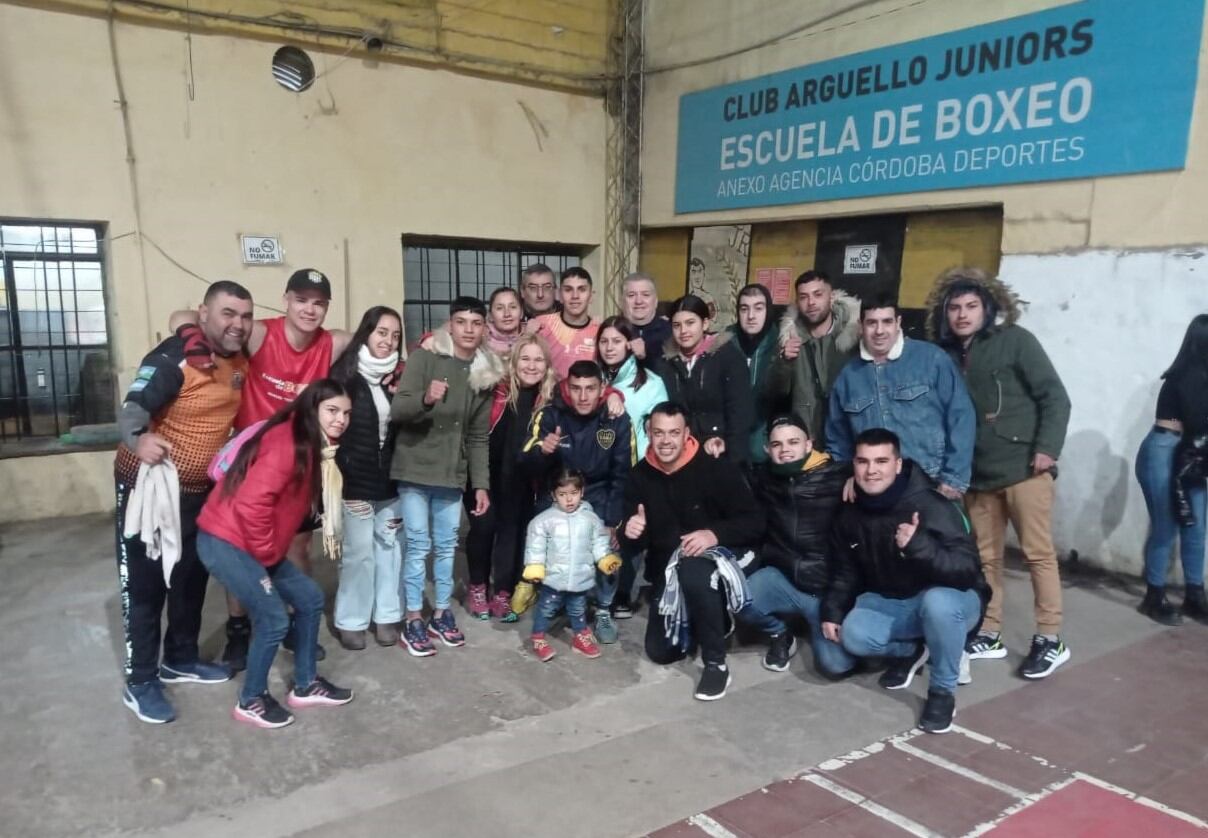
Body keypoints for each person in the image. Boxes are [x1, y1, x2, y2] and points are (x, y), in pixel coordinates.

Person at [171, 268, 352, 670]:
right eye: (301, 300)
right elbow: (182, 316)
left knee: (298, 545)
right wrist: (192, 339)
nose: (309, 309)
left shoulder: (332, 342)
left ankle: (292, 622)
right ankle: (239, 629)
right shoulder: (260, 334)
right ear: (286, 299)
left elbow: (379, 336)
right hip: (252, 464)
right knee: (243, 547)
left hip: (300, 465)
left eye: (318, 302)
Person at [113, 281, 254, 724]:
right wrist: (140, 438)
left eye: (245, 316)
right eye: (228, 313)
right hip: (148, 487)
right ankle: (140, 681)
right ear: (204, 314)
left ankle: (181, 658)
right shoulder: (175, 357)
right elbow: (133, 405)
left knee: (191, 578)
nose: (238, 324)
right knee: (147, 585)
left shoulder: (237, 361)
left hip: (198, 493)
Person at [927, 268, 1073, 679]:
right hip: (977, 475)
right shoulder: (944, 355)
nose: (961, 315)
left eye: (971, 306)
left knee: (1038, 555)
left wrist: (1047, 449)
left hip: (1025, 468)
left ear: (988, 308)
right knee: (985, 559)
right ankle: (989, 631)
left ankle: (1049, 638)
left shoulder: (1015, 342)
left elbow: (1054, 397)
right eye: (954, 307)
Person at [196, 379, 356, 729]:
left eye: (345, 413)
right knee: (273, 619)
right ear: (312, 409)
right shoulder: (288, 444)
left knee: (310, 597)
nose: (340, 420)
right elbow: (253, 505)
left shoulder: (311, 444)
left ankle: (305, 684)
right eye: (332, 411)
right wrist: (268, 559)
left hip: (251, 543)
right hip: (226, 541)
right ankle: (251, 699)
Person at [821, 428, 987, 734]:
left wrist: (919, 546)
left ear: (898, 464)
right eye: (863, 461)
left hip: (954, 599)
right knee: (854, 633)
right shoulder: (849, 513)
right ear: (853, 465)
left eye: (881, 461)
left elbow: (967, 571)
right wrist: (832, 610)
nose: (872, 470)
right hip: (897, 602)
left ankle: (942, 691)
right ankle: (913, 650)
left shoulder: (930, 503)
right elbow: (845, 571)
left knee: (938, 605)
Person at [618, 403, 764, 701]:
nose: (666, 440)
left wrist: (714, 534)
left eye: (674, 433)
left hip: (722, 555)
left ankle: (716, 663)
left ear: (686, 434)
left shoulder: (716, 469)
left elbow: (755, 522)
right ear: (649, 433)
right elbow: (633, 543)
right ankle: (714, 618)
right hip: (668, 572)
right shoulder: (638, 476)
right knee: (661, 651)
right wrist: (630, 531)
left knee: (695, 572)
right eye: (658, 433)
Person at [392, 296, 503, 656]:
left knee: (445, 547)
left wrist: (481, 484)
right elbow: (399, 410)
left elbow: (477, 436)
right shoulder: (425, 358)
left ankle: (440, 613)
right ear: (449, 325)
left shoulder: (485, 373)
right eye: (461, 322)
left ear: (484, 328)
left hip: (451, 475)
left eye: (475, 323)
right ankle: (412, 618)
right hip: (414, 468)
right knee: (418, 545)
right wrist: (426, 399)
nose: (468, 330)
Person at [521, 360, 633, 643]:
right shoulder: (549, 414)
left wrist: (612, 522)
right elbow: (523, 461)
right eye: (576, 388)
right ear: (566, 388)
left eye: (590, 389)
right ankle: (555, 595)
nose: (583, 396)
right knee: (547, 537)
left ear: (602, 389)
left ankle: (603, 608)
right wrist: (542, 452)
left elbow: (623, 474)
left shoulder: (617, 419)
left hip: (598, 496)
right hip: (555, 495)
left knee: (609, 548)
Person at [737, 415, 856, 678]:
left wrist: (855, 479)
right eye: (777, 445)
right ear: (768, 450)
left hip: (827, 591)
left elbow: (897, 472)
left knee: (836, 666)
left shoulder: (839, 475)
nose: (785, 450)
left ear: (809, 444)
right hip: (785, 580)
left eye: (793, 442)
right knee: (737, 595)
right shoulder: (764, 478)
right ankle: (781, 632)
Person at [826, 295, 976, 499]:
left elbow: (961, 417)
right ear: (861, 326)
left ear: (898, 323)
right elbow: (838, 438)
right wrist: (848, 476)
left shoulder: (932, 359)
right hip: (873, 489)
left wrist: (954, 478)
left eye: (887, 321)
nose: (879, 331)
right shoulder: (848, 377)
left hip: (932, 484)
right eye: (871, 323)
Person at [464, 333, 558, 621]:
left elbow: (592, 389)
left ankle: (504, 590)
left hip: (522, 479)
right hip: (484, 474)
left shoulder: (550, 398)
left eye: (538, 359)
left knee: (512, 533)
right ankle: (478, 585)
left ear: (547, 365)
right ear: (514, 362)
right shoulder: (496, 389)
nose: (531, 366)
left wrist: (613, 395)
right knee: (483, 527)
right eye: (525, 358)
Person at [328, 307, 404, 651]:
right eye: (382, 332)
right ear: (367, 333)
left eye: (395, 335)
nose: (388, 341)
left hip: (390, 483)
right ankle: (352, 620)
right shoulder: (345, 376)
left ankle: (387, 616)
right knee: (359, 554)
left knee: (389, 549)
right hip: (355, 482)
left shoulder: (398, 380)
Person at [1134, 314, 1208, 625]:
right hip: (1164, 450)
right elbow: (1198, 420)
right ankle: (1154, 595)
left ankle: (1194, 594)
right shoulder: (1186, 374)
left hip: (1191, 451)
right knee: (1166, 526)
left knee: (1197, 526)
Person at [597, 316, 669, 617]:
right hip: (598, 472)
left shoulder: (651, 383)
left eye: (616, 341)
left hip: (636, 471)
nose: (609, 347)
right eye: (604, 341)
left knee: (630, 534)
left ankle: (623, 592)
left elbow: (662, 431)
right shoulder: (594, 380)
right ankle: (598, 590)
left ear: (629, 344)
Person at [522, 469, 623, 662]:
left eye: (573, 493)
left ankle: (579, 637)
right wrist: (535, 566)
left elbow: (599, 543)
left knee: (578, 609)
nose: (569, 500)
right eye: (562, 494)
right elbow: (535, 547)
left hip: (580, 578)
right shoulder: (542, 522)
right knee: (545, 609)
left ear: (582, 492)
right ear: (553, 495)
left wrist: (605, 559)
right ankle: (538, 638)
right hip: (553, 579)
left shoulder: (591, 519)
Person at [656, 295, 754, 466]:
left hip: (720, 452)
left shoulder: (728, 357)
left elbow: (739, 413)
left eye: (690, 323)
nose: (683, 331)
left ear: (705, 323)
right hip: (680, 454)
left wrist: (732, 455)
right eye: (677, 325)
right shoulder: (666, 363)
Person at [769, 270, 860, 446]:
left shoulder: (855, 335)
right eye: (803, 297)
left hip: (848, 440)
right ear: (797, 302)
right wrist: (784, 362)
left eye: (818, 294)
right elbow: (774, 394)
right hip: (807, 442)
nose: (811, 302)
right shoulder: (788, 339)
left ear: (831, 297)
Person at [727, 283, 783, 465]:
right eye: (744, 309)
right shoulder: (724, 344)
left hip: (768, 445)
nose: (751, 316)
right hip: (730, 444)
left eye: (758, 308)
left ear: (768, 310)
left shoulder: (781, 344)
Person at [527, 267, 600, 380]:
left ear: (591, 296)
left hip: (586, 396)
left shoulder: (600, 331)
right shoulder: (542, 325)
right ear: (559, 295)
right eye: (568, 289)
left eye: (582, 289)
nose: (575, 296)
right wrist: (526, 336)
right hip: (549, 395)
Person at [619, 271, 672, 365]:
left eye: (645, 295)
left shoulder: (671, 333)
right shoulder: (613, 330)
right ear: (622, 301)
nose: (639, 301)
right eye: (631, 295)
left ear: (655, 301)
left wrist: (645, 357)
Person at [485, 286, 525, 357]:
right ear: (490, 316)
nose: (507, 314)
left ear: (521, 313)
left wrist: (528, 334)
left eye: (513, 307)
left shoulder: (533, 334)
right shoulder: (482, 341)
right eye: (499, 308)